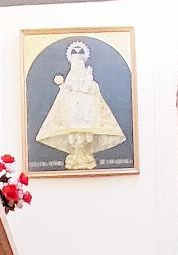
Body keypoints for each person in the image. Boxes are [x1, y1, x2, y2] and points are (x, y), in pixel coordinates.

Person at [36, 40, 127, 170]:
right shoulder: (71, 77)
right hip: (73, 113)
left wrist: (88, 80)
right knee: (74, 135)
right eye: (75, 60)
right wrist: (65, 87)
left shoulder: (89, 78)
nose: (78, 64)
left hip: (86, 112)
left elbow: (88, 88)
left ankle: (84, 155)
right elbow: (67, 90)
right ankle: (77, 155)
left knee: (86, 136)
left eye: (80, 60)